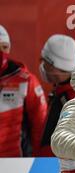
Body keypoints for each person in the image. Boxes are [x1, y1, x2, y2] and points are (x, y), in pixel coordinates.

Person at [0, 24, 48, 157]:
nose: (1, 52)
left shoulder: (26, 80)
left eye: (4, 47)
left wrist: (38, 159)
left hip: (15, 162)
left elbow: (40, 125)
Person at [39, 34, 75, 156]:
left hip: (53, 168)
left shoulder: (73, 99)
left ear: (53, 66)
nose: (42, 66)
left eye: (44, 62)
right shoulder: (64, 89)